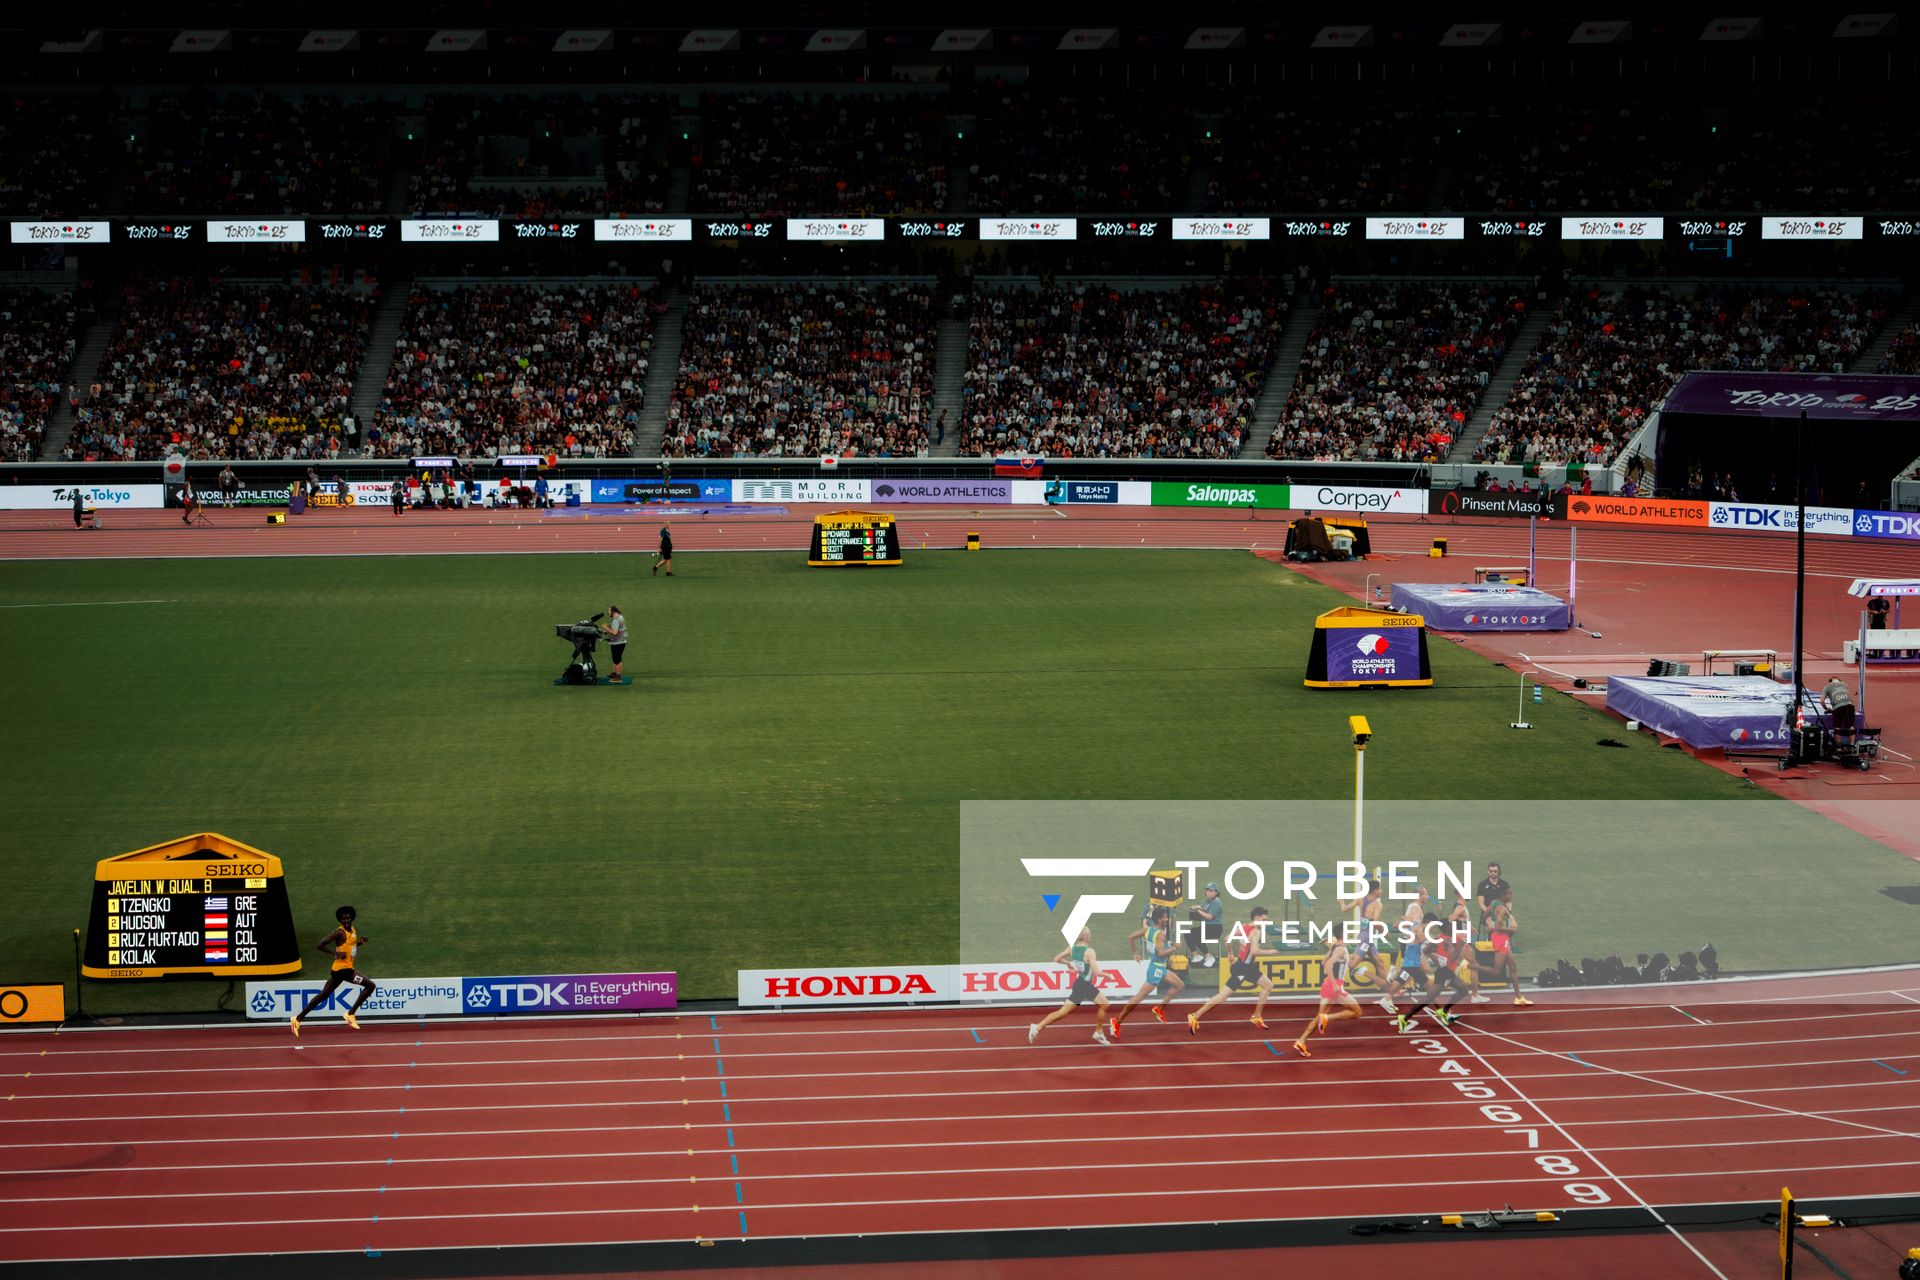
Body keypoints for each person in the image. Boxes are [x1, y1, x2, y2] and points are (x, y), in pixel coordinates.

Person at [1188, 907, 1279, 1033]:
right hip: (1244, 968)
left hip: (1244, 966)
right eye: (1264, 920)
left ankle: (1257, 1016)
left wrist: (1230, 954)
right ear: (1256, 917)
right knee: (1223, 996)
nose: (1265, 923)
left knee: (1268, 985)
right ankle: (1195, 1016)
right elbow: (1253, 951)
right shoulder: (1256, 932)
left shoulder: (1244, 926)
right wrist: (1270, 952)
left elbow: (1227, 938)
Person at [290, 906, 377, 1035]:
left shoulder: (352, 930)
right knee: (370, 985)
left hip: (341, 970)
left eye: (347, 918)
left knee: (323, 995)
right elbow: (320, 945)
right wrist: (335, 954)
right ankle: (350, 1014)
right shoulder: (339, 932)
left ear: (351, 918)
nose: (346, 920)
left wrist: (360, 943)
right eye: (343, 919)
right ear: (340, 920)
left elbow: (350, 947)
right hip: (343, 970)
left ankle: (297, 1019)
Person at [1028, 926, 1111, 1046]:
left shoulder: (1071, 948)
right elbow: (1097, 972)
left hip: (1079, 985)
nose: (1091, 935)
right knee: (1105, 1005)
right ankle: (1098, 1032)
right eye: (1089, 933)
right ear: (1086, 937)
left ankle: (1037, 1026)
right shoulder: (1090, 952)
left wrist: (1068, 963)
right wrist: (1107, 975)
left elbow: (1056, 959)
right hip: (1084, 986)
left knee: (1063, 1012)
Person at [1109, 907, 1183, 1038]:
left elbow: (1130, 937)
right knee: (1138, 998)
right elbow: (1161, 953)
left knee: (1180, 985)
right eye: (1165, 917)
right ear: (1159, 919)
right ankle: (1117, 1021)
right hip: (1156, 970)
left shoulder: (1148, 930)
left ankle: (1159, 1008)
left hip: (1160, 967)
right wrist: (1174, 948)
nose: (1167, 919)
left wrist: (1135, 953)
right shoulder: (1160, 934)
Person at [1291, 933, 1363, 1057]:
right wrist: (1335, 984)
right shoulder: (1340, 949)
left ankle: (1301, 1041)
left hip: (1328, 985)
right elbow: (1328, 964)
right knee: (1357, 1012)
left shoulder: (1336, 947)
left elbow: (1324, 961)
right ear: (1342, 936)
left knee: (1319, 1016)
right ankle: (1327, 1018)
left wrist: (1331, 948)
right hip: (1335, 987)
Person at [1484, 891, 1534, 1006]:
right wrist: (1511, 930)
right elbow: (1498, 926)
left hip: (1502, 938)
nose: (1511, 896)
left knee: (1512, 966)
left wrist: (1488, 925)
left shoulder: (1493, 904)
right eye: (1509, 894)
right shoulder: (1501, 908)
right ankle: (1474, 968)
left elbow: (1485, 916)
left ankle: (1519, 997)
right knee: (1497, 970)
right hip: (1501, 938)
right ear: (1502, 895)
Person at [1185, 882, 1224, 968]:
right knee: (1187, 933)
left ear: (1216, 892)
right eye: (1207, 890)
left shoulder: (1217, 902)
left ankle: (1209, 957)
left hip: (1215, 929)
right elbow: (1203, 908)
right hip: (1206, 927)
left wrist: (1198, 910)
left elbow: (1209, 917)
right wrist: (1196, 907)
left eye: (1211, 890)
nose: (1208, 892)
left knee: (1195, 935)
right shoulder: (1208, 900)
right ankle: (1196, 955)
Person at [1474, 862, 1510, 931]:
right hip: (1488, 914)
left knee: (1511, 925)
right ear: (1488, 871)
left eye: (1495, 871)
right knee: (1492, 927)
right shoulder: (1482, 885)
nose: (1493, 873)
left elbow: (1508, 901)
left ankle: (1505, 940)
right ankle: (1490, 939)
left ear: (1498, 871)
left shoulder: (1504, 884)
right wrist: (1491, 913)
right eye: (1491, 871)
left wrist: (1507, 912)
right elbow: (1481, 904)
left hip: (1502, 913)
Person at [1823, 676, 1856, 745]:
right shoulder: (1845, 684)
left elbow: (1821, 701)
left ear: (1831, 681)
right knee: (1851, 726)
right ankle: (1852, 744)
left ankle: (1839, 746)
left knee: (1838, 727)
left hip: (1838, 707)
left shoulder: (1827, 686)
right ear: (1839, 680)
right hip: (1850, 706)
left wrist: (1826, 708)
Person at [600, 604, 628, 683]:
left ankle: (618, 677)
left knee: (617, 659)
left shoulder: (616, 619)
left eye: (609, 611)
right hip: (621, 641)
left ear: (613, 611)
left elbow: (615, 632)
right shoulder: (620, 617)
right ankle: (615, 673)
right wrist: (607, 630)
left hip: (618, 642)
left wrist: (606, 628)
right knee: (615, 658)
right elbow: (617, 630)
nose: (608, 612)